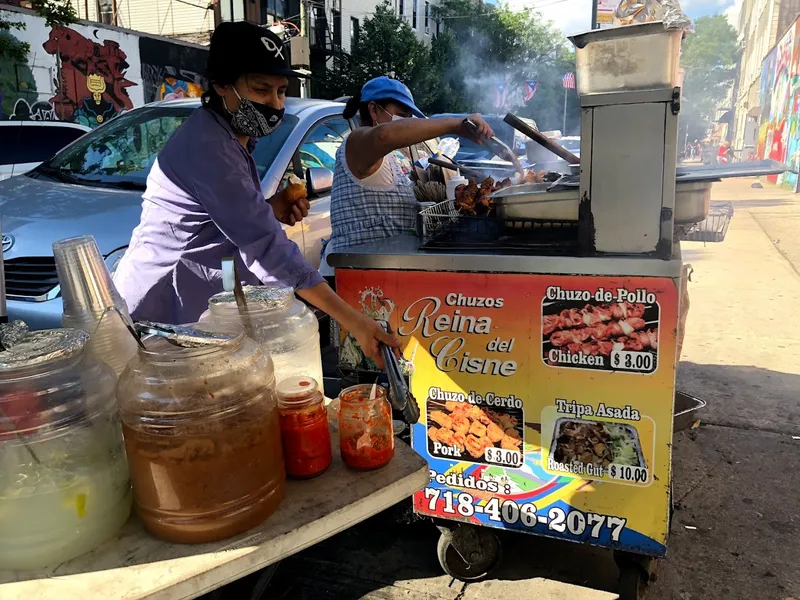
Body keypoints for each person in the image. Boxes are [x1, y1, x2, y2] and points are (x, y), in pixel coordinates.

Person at [113, 22, 398, 363]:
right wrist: (355, 322)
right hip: (162, 311)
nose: (275, 104)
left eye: (280, 91)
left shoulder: (233, 138)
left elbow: (220, 218)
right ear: (221, 85)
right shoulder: (209, 147)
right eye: (261, 90)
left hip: (196, 310)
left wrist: (268, 208)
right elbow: (267, 248)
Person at [320, 76, 494, 277]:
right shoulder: (357, 143)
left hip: (379, 275)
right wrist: (456, 125)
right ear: (373, 109)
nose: (407, 123)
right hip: (352, 277)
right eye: (402, 115)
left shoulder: (388, 158)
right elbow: (383, 135)